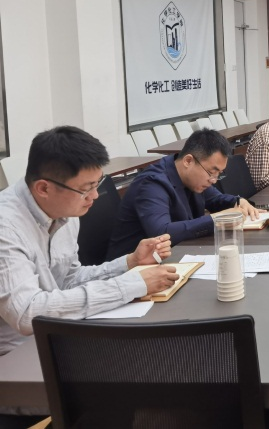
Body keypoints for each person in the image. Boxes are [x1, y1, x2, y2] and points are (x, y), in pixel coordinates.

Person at [0, 126, 178, 357]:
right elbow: (27, 313)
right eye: (86, 189)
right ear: (43, 188)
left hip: (59, 334)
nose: (94, 196)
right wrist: (130, 285)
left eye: (97, 184)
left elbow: (68, 280)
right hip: (15, 357)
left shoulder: (64, 210)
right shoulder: (6, 227)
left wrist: (129, 263)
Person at [107, 129, 260, 259]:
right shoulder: (152, 183)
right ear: (188, 161)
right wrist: (218, 219)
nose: (214, 180)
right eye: (211, 172)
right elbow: (162, 233)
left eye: (219, 174)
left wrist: (238, 201)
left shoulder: (193, 177)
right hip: (133, 267)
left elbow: (216, 199)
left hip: (172, 255)